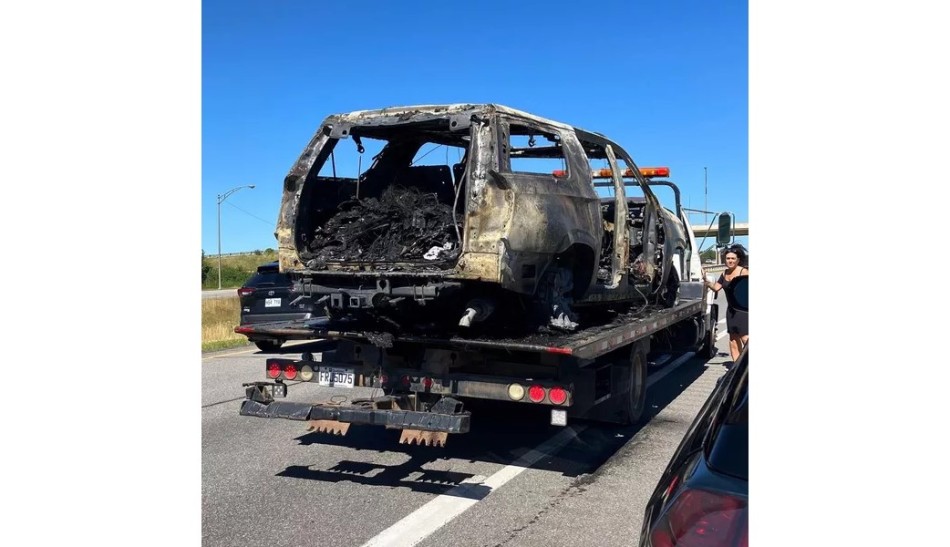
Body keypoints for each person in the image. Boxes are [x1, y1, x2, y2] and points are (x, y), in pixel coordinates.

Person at [703, 245, 749, 362]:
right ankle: (736, 370)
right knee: (733, 340)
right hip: (731, 312)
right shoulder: (724, 274)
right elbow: (716, 288)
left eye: (733, 258)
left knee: (746, 339)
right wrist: (706, 281)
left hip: (744, 311)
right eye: (728, 258)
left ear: (738, 260)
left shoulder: (744, 272)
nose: (730, 261)